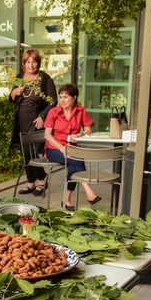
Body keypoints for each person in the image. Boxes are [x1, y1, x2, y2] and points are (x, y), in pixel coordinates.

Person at [43, 83, 101, 212]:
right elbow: (47, 135)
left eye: (65, 97)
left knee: (73, 167)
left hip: (72, 149)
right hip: (54, 149)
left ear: (74, 98)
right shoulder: (54, 112)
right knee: (77, 160)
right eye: (61, 97)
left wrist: (80, 134)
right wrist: (61, 147)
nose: (62, 100)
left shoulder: (80, 111)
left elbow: (88, 130)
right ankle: (89, 193)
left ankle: (67, 199)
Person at [10, 49, 57, 196]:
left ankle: (42, 181)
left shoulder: (45, 79)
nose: (31, 65)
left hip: (36, 121)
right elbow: (11, 97)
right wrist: (14, 93)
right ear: (24, 63)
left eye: (34, 61)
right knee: (25, 153)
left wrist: (43, 116)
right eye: (28, 62)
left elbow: (53, 101)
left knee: (34, 153)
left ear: (38, 63)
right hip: (21, 119)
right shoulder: (19, 77)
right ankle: (31, 183)